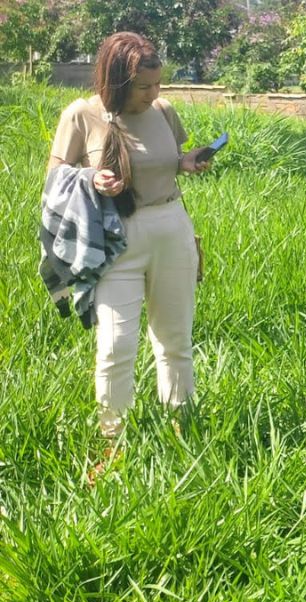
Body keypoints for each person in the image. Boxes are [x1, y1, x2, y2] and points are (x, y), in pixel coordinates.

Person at [47, 32, 213, 437]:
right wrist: (91, 179)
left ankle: (182, 429)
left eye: (158, 84)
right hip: (115, 238)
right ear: (117, 80)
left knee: (175, 342)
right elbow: (54, 178)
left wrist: (185, 162)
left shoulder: (164, 110)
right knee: (115, 346)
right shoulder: (81, 115)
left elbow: (165, 160)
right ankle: (112, 439)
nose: (153, 93)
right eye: (143, 87)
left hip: (171, 229)